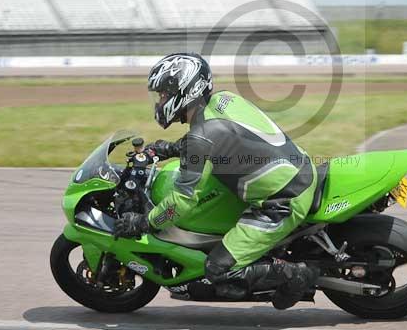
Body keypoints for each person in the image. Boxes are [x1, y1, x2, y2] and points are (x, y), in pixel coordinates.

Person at [113, 53, 320, 309]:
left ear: (185, 91)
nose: (160, 101)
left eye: (164, 94)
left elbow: (182, 202)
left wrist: (145, 222)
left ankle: (297, 274)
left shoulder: (201, 137)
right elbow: (219, 140)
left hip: (282, 200)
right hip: (299, 170)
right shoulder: (224, 100)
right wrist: (168, 149)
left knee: (217, 269)